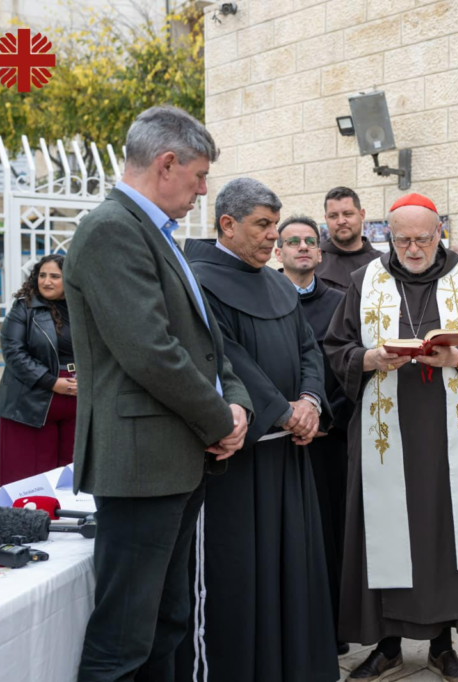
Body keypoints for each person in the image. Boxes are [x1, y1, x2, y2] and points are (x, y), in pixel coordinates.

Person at [66, 106, 252, 681]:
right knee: (124, 641)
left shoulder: (157, 233)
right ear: (166, 163)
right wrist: (219, 419)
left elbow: (205, 339)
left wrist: (237, 402)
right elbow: (151, 351)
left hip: (174, 461)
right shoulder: (111, 230)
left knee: (167, 624)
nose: (203, 190)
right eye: (199, 176)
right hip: (141, 466)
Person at [325, 193, 458, 681]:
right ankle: (387, 646)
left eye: (422, 238)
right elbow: (336, 346)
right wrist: (367, 359)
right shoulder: (364, 281)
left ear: (439, 235)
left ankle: (442, 646)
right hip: (384, 431)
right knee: (386, 534)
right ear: (389, 236)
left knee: (446, 535)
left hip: (452, 434)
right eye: (403, 238)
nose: (413, 247)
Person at [177, 178, 337, 681]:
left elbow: (309, 348)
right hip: (238, 465)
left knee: (293, 573)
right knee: (243, 580)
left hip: (289, 456)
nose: (274, 237)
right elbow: (227, 359)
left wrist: (310, 401)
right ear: (227, 224)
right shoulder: (199, 281)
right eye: (263, 226)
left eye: (275, 224)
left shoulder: (276, 282)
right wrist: (281, 410)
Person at [275, 213, 352, 656]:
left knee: (330, 534)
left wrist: (326, 419)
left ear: (320, 253)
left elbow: (348, 369)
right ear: (278, 251)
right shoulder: (260, 298)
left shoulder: (341, 301)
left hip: (328, 439)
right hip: (276, 437)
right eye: (293, 241)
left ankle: (333, 627)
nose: (302, 247)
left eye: (309, 241)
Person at [0, 254, 77, 484]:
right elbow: (13, 352)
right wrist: (52, 382)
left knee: (69, 478)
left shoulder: (83, 309)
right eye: (42, 275)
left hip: (77, 402)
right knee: (28, 479)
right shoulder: (24, 308)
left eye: (54, 276)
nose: (46, 281)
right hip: (30, 404)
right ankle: (25, 521)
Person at [315, 186, 382, 291]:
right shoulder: (314, 262)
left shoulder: (382, 263)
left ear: (362, 215)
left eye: (348, 214)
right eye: (333, 216)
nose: (341, 221)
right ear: (326, 219)